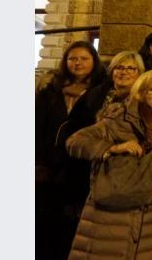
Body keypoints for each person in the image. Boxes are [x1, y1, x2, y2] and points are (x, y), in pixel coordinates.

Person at [66, 69, 152, 260]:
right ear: (141, 92)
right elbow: (75, 142)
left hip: (150, 213)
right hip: (112, 211)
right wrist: (114, 148)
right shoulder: (119, 117)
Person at [57, 51, 147, 224]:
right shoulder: (95, 95)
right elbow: (74, 128)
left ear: (140, 73)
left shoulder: (143, 101)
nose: (124, 72)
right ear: (112, 71)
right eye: (119, 67)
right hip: (84, 166)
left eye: (131, 68)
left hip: (118, 174)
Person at [36, 41, 106, 260]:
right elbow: (37, 126)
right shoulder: (51, 90)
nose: (78, 63)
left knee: (73, 228)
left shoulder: (100, 93)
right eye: (72, 58)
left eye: (83, 58)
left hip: (79, 168)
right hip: (48, 168)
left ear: (93, 62)